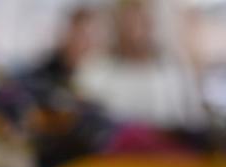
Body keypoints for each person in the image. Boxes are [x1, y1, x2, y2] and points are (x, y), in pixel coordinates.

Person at [74, 0, 206, 130]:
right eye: (129, 19)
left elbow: (193, 125)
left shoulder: (174, 72)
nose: (136, 28)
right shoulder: (94, 70)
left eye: (142, 19)